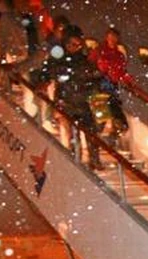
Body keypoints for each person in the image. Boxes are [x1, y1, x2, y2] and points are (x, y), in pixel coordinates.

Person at [38, 25, 104, 170]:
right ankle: (75, 161)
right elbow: (46, 72)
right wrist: (44, 81)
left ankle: (94, 160)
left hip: (83, 100)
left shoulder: (83, 59)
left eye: (77, 44)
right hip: (66, 100)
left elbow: (94, 77)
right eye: (72, 44)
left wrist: (95, 81)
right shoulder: (58, 57)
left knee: (90, 132)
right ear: (66, 42)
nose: (74, 47)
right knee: (72, 134)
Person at [87, 27, 132, 139]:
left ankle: (113, 132)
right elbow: (90, 64)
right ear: (106, 37)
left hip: (111, 85)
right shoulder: (99, 51)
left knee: (112, 108)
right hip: (100, 83)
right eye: (110, 37)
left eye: (114, 37)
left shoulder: (119, 55)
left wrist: (127, 80)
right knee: (105, 108)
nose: (112, 39)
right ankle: (106, 131)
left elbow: (121, 71)